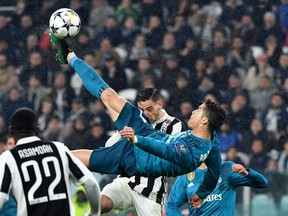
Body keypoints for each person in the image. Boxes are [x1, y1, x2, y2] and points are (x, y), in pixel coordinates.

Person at [50, 33, 227, 207]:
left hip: (135, 160)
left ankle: (46, 162)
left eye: (199, 111)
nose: (194, 111)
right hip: (144, 131)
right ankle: (70, 56)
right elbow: (214, 171)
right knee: (110, 96)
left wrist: (136, 139)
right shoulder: (211, 141)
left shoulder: (190, 153)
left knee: (85, 160)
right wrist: (202, 193)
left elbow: (165, 150)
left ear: (205, 121)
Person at [0, 107, 101, 216]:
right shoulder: (59, 149)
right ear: (37, 130)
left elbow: (1, 197)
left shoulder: (8, 158)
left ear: (11, 131)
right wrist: (95, 213)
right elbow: (91, 184)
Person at [101, 88, 185, 215]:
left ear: (160, 104)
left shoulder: (175, 126)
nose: (145, 114)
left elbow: (170, 154)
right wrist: (122, 132)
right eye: (141, 110)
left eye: (149, 109)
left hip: (152, 190)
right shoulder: (135, 121)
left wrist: (137, 138)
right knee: (100, 203)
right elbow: (109, 146)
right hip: (126, 181)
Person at [166, 161, 268, 216]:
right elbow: (171, 207)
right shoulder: (186, 176)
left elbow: (262, 183)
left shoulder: (226, 169)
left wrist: (247, 173)